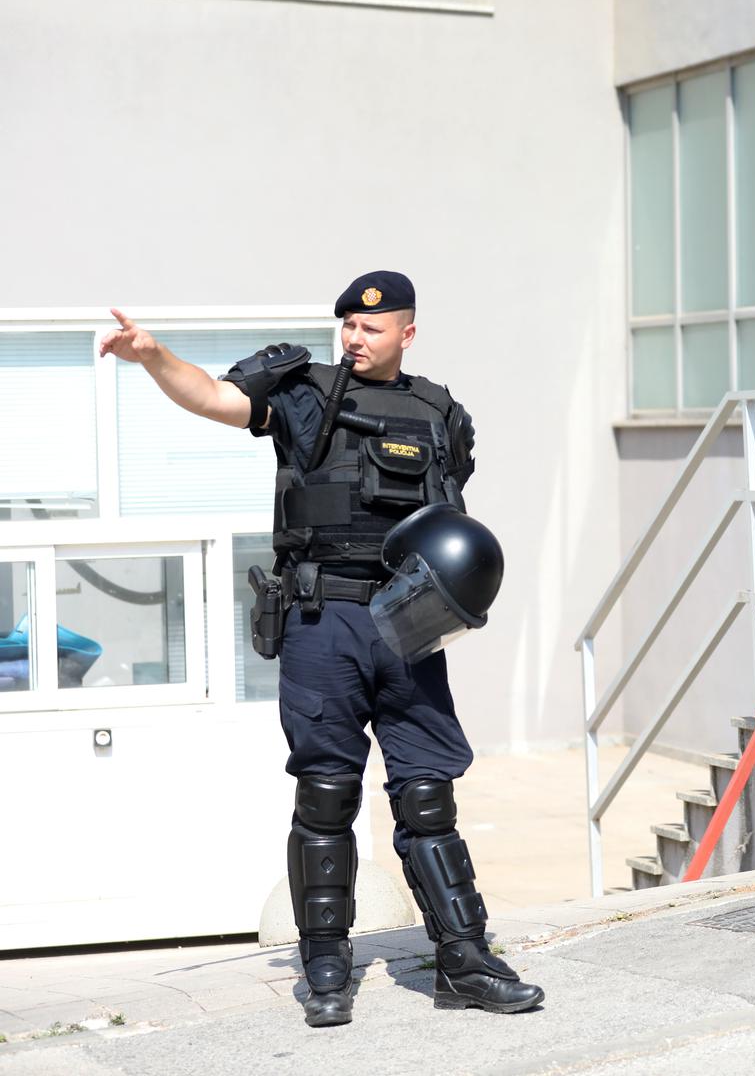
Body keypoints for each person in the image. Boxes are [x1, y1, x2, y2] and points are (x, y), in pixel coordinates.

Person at [98, 272, 543, 1027]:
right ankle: (327, 964)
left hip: (409, 621)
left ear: (408, 330)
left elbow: (447, 513)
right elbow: (213, 397)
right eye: (346, 326)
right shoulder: (306, 392)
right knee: (328, 793)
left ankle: (463, 959)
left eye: (371, 328)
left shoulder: (439, 411)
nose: (353, 337)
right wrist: (151, 356)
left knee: (429, 795)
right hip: (321, 618)